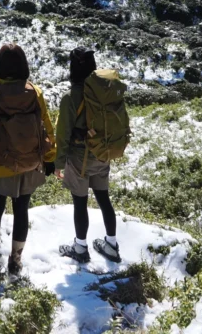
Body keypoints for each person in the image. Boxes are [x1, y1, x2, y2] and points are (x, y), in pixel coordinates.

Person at [0, 43, 57, 278]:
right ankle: (15, 262)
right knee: (22, 211)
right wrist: (50, 158)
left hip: (0, 164)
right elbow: (47, 127)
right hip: (29, 164)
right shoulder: (34, 92)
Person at [54, 47, 129, 263]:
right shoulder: (102, 93)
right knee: (104, 199)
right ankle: (112, 245)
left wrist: (58, 163)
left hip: (80, 158)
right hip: (102, 152)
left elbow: (64, 134)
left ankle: (80, 248)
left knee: (80, 202)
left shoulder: (71, 97)